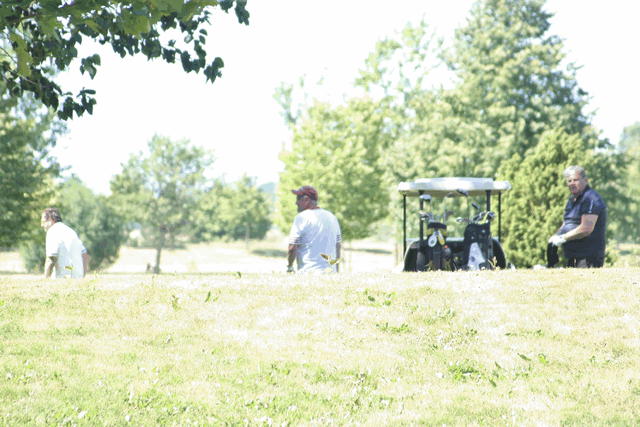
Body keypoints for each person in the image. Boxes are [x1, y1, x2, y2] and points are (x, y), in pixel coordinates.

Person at [548, 166, 607, 268]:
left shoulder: (591, 198)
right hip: (572, 256)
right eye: (569, 181)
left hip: (588, 257)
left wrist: (563, 237)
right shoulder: (572, 199)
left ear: (585, 180)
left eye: (575, 180)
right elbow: (567, 222)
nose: (572, 183)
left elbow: (586, 228)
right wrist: (556, 235)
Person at [287, 186, 342, 274]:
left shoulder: (301, 218)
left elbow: (292, 247)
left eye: (298, 199)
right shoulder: (332, 217)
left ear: (306, 199)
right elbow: (338, 246)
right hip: (330, 273)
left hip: (308, 272)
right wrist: (336, 270)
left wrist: (290, 267)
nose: (296, 202)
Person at [41, 207, 90, 278]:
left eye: (43, 222)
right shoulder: (71, 231)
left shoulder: (52, 231)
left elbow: (51, 259)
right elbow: (84, 255)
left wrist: (45, 280)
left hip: (62, 279)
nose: (42, 225)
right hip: (77, 279)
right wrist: (82, 276)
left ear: (50, 219)